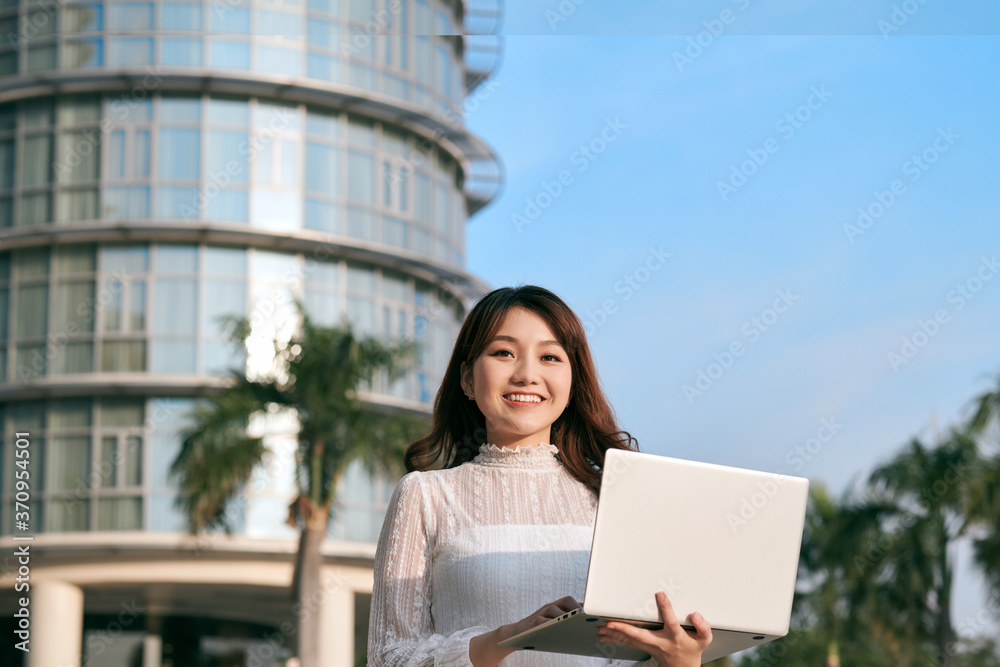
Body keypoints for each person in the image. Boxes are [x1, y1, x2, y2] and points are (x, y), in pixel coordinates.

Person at [368, 286, 712, 667]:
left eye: (549, 356)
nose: (527, 374)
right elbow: (389, 657)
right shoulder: (425, 494)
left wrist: (680, 661)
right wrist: (504, 640)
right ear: (467, 378)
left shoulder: (615, 499)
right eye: (504, 353)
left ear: (572, 382)